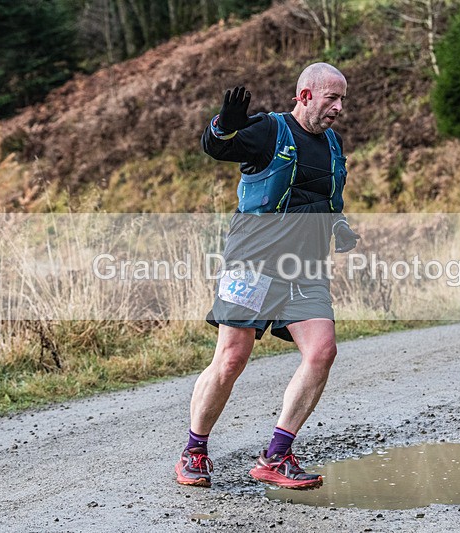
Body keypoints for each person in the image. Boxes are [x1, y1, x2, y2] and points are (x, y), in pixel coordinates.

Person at [175, 63, 360, 491]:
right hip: (253, 261)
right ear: (306, 96)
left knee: (322, 351)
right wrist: (223, 125)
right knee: (231, 358)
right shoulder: (269, 131)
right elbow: (216, 147)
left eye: (342, 99)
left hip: (305, 268)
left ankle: (276, 455)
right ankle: (194, 450)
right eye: (332, 98)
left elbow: (324, 195)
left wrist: (339, 225)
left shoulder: (333, 143)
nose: (338, 107)